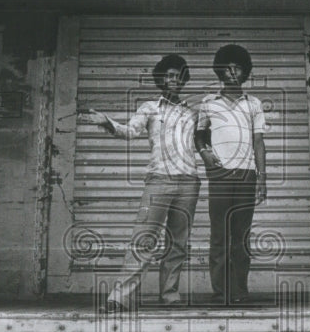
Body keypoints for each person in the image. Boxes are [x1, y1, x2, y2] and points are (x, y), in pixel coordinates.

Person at [87, 54, 200, 312]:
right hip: (158, 180)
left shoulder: (193, 112)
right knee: (144, 239)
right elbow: (130, 132)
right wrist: (108, 123)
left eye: (179, 76)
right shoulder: (149, 108)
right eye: (169, 75)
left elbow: (204, 144)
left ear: (184, 80)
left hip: (189, 182)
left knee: (178, 242)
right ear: (161, 79)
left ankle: (170, 296)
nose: (174, 80)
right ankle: (119, 297)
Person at [194, 44, 268, 305]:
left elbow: (259, 142)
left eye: (237, 68)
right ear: (220, 71)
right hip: (220, 175)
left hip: (247, 175)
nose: (232, 72)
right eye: (227, 68)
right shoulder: (208, 102)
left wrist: (262, 178)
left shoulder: (254, 103)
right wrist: (205, 154)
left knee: (241, 235)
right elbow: (199, 135)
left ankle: (239, 292)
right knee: (219, 234)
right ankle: (220, 292)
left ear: (245, 71)